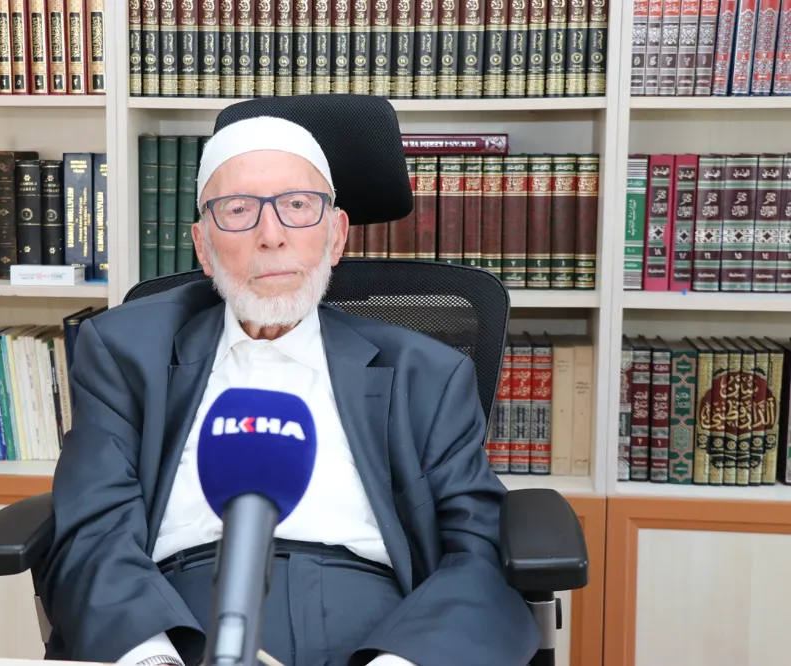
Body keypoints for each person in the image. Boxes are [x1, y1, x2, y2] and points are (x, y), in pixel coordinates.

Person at [36, 115, 540, 666]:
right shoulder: (127, 351)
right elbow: (93, 529)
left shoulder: (427, 372)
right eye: (238, 210)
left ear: (336, 235)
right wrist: (152, 658)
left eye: (298, 206)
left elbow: (478, 550)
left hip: (379, 631)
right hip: (180, 623)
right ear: (203, 246)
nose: (271, 235)